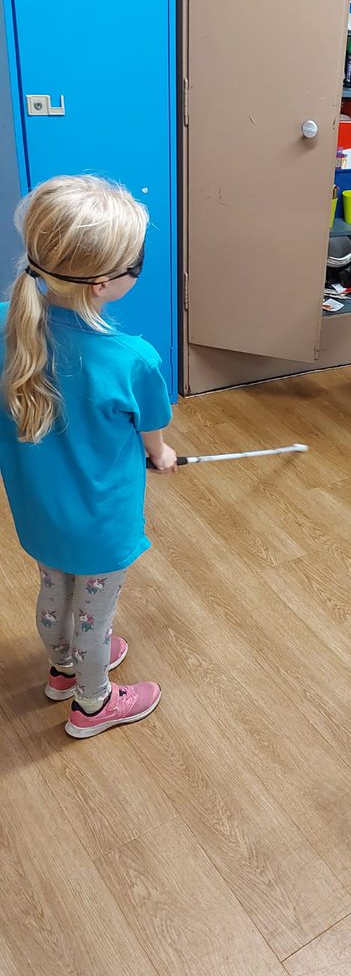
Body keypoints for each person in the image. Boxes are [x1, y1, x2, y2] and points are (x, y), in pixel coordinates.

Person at [0, 175, 176, 738]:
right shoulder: (133, 358)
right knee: (94, 616)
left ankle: (61, 670)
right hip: (101, 523)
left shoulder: (8, 322)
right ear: (104, 283)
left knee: (54, 587)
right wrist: (163, 455)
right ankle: (93, 704)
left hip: (38, 510)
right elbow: (155, 436)